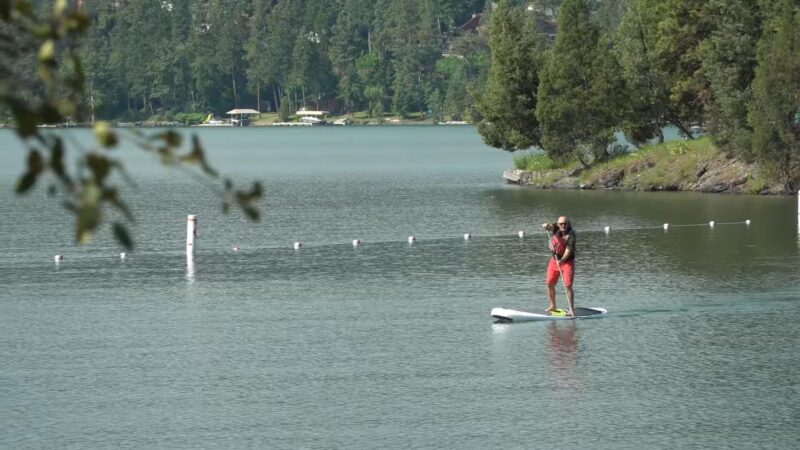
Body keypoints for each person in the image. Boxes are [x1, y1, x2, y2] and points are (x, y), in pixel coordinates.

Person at [542, 216, 576, 317]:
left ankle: (571, 309)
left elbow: (569, 250)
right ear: (558, 224)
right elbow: (549, 226)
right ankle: (553, 306)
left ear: (568, 224)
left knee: (568, 285)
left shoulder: (571, 234)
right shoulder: (556, 227)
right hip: (554, 261)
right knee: (549, 283)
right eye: (561, 224)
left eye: (565, 224)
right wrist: (546, 226)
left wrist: (562, 260)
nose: (563, 226)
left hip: (567, 262)